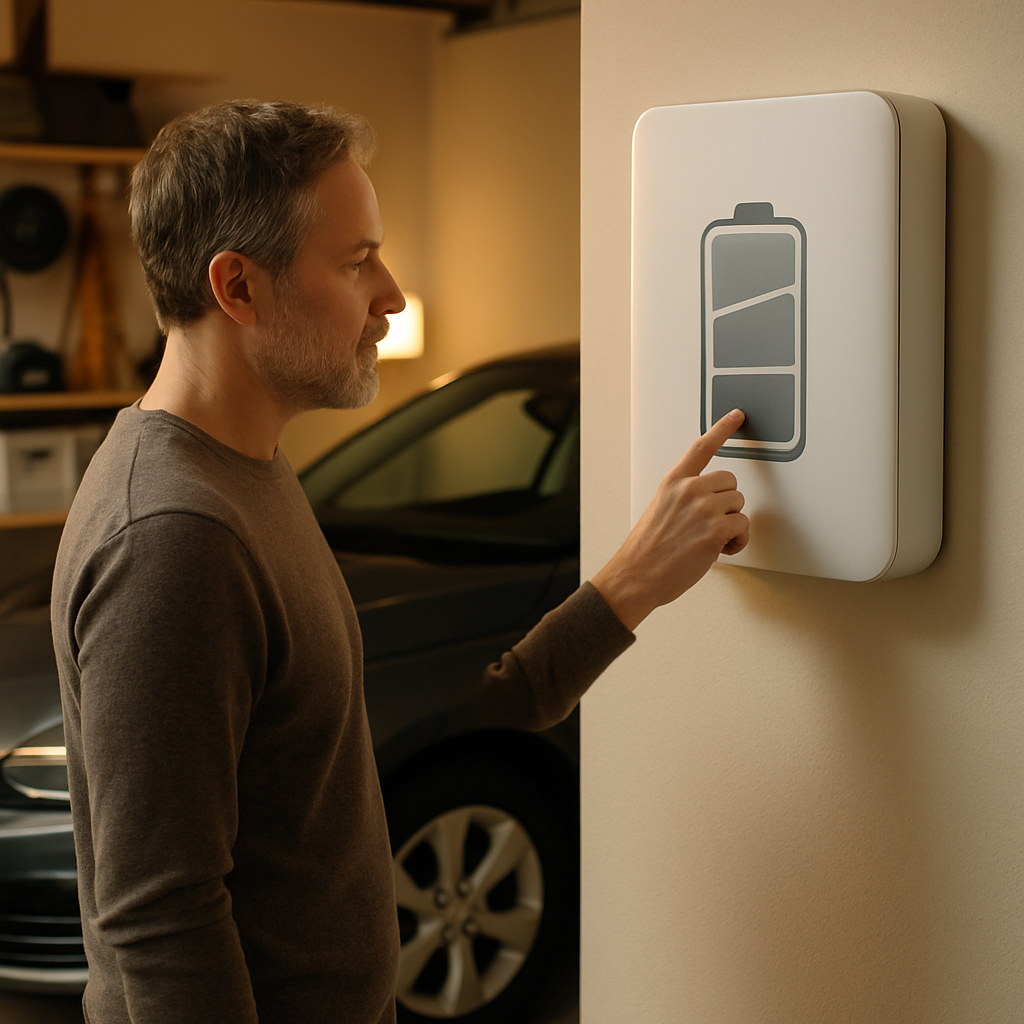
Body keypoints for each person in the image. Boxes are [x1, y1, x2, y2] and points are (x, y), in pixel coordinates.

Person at [51, 100, 748, 1024]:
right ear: (238, 287)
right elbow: (161, 925)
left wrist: (628, 585)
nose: (392, 296)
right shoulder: (174, 537)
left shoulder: (248, 468)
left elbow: (447, 710)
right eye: (355, 261)